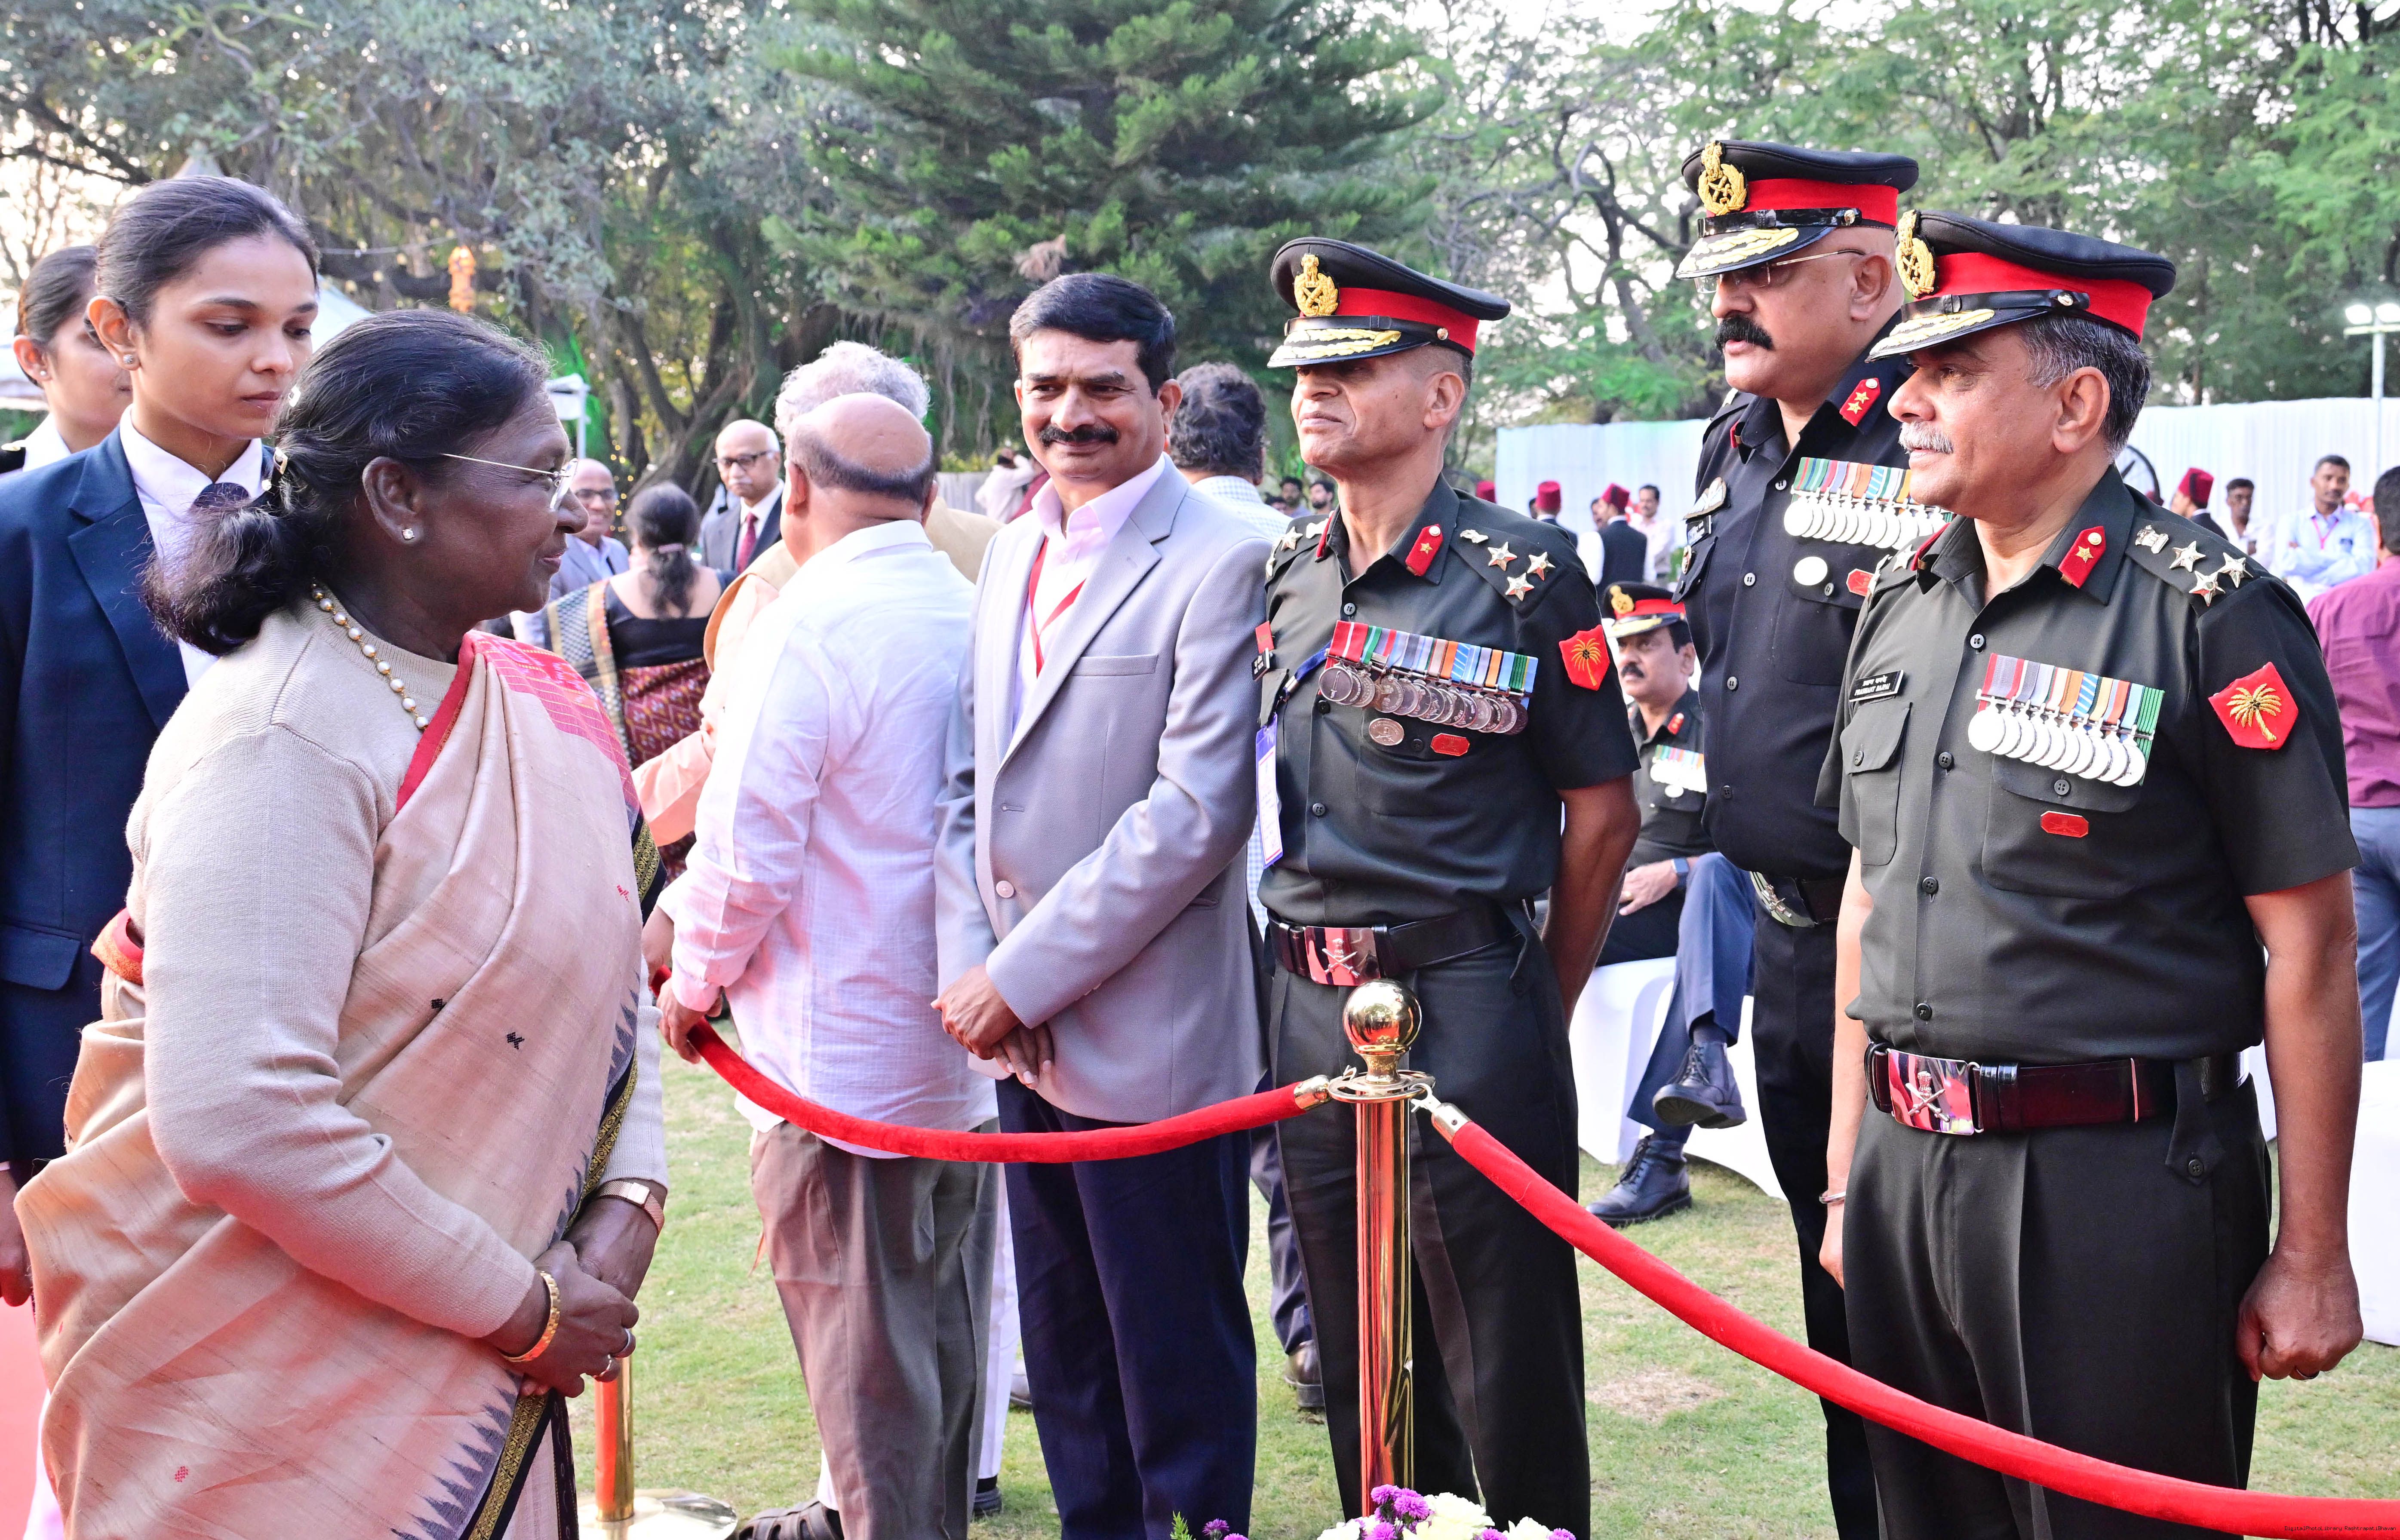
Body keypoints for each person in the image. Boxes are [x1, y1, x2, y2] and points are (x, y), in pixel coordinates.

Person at [17, 305, 666, 1537]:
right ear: (397, 495)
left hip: (481, 1345)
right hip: (262, 1396)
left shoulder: (531, 701)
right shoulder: (277, 732)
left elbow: (608, 992)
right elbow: (241, 1118)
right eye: (533, 477)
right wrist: (524, 1305)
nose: (574, 513)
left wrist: (624, 1211)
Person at [1822, 211, 2365, 1540]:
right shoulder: (1900, 598)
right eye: (1909, 370)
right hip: (1900, 1168)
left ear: (2074, 406)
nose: (1904, 401)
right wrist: (1845, 1181)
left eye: (1952, 372)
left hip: (2110, 1186)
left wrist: (2311, 1254)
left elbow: (2310, 945)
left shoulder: (2207, 611)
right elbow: (1866, 895)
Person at [1258, 236, 1640, 1534]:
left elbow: (1603, 812)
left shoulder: (1521, 576)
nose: (1316, 389)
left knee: (1500, 1351)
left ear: (1440, 395)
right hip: (1309, 1001)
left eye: (1353, 367)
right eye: (1305, 369)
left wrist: (1536, 995)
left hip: (1464, 986)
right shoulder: (1291, 566)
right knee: (1357, 1345)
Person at [932, 272, 1270, 1540]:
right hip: (1019, 1039)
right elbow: (963, 783)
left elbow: (1196, 814)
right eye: (1045, 388)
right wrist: (983, 978)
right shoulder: (1012, 547)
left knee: (1174, 1357)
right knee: (1067, 1355)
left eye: (1102, 388)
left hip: (1154, 1042)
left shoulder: (1225, 557)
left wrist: (1017, 975)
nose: (1069, 414)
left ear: (1165, 401)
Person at [658, 393, 993, 1540]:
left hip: (837, 1066)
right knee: (934, 1348)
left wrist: (693, 981)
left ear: (793, 488)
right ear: (930, 497)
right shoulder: (968, 605)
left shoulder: (808, 622)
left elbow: (745, 850)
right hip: (958, 1051)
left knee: (868, 1380)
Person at [0, 176, 321, 1319]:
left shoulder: (357, 532)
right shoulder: (19, 536)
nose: (274, 360)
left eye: (297, 328)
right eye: (229, 326)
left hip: (329, 1048)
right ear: (117, 329)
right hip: (75, 1058)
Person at [1669, 138, 1921, 1539]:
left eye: (1766, 271)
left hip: (1907, 962)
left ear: (1868, 280)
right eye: (1722, 274)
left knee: (1924, 1327)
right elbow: (1726, 680)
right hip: (1777, 941)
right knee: (1837, 1325)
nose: (1730, 302)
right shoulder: (1732, 442)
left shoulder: (1931, 436)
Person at [630, 342, 999, 848]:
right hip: (990, 866)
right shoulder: (1007, 547)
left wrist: (612, 818)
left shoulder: (773, 586)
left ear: (797, 475)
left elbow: (723, 759)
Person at [1165, 356, 1324, 1414]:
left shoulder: (1151, 549)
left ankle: (1180, 1344)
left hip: (1166, 895)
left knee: (1175, 1130)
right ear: (1262, 451)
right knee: (1288, 1122)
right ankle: (1311, 1337)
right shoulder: (1302, 548)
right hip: (1282, 884)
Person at [542, 482, 724, 877]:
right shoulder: (729, 587)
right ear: (693, 531)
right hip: (714, 747)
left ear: (637, 535)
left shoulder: (597, 601)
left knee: (650, 842)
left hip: (641, 759)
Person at [2307, 462, 2400, 1061]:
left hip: (2359, 818)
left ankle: (2362, 1120)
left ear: (2377, 528)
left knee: (2362, 996)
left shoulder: (2330, 609)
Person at [1594, 584, 1709, 966]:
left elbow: (1756, 855)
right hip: (1606, 890)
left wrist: (1679, 871)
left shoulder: (1717, 737)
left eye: (1645, 645)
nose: (1629, 658)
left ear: (1686, 658)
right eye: (1623, 646)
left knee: (1537, 933)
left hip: (1678, 906)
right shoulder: (1610, 734)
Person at [3, 246, 129, 478]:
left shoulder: (199, 476)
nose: (133, 355)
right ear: (35, 358)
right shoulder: (8, 488)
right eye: (103, 340)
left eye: (147, 336)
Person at [516, 459, 630, 646]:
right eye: (585, 494)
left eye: (607, 494)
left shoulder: (618, 552)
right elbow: (533, 637)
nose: (599, 505)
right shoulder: (547, 554)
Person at [2264, 453, 2375, 599]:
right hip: (2301, 606)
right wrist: (2344, 559)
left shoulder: (2361, 524)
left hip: (2344, 604)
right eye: (2328, 478)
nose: (2335, 486)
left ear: (2348, 486)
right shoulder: (2291, 521)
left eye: (2342, 480)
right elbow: (2287, 563)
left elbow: (2364, 568)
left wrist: (2304, 555)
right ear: (2313, 482)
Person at [699, 417, 784, 571]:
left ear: (776, 459)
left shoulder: (804, 517)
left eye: (746, 461)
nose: (735, 473)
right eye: (726, 463)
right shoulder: (713, 532)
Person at [1595, 483, 1647, 584]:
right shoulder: (1642, 538)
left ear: (1612, 509)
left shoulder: (1598, 536)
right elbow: (1650, 576)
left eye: (1601, 507)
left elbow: (1594, 578)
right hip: (1635, 594)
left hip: (1606, 594)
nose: (1599, 512)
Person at [1631, 482, 1681, 579]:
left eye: (1649, 501)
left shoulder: (1666, 526)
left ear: (1658, 502)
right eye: (1642, 501)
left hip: (1659, 578)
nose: (1645, 505)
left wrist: (1634, 563)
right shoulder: (1634, 525)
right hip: (1637, 577)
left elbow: (1657, 553)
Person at [2171, 466, 2225, 537]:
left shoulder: (2188, 531)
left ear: (2187, 500)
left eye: (2177, 496)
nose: (2174, 502)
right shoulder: (2219, 531)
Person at [2223, 476, 2259, 553]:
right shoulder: (2219, 527)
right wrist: (2247, 551)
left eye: (2249, 498)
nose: (2245, 503)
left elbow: (2264, 558)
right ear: (2228, 501)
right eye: (2239, 498)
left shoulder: (2264, 527)